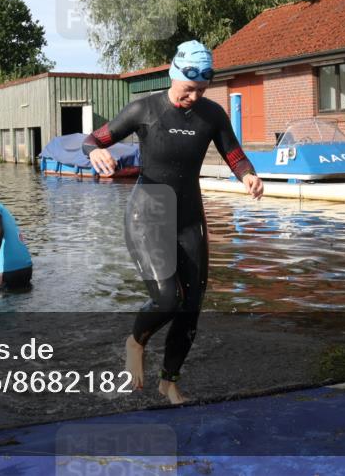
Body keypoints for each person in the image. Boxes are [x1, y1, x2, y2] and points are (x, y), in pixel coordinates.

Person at [82, 40, 264, 404]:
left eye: (200, 90)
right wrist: (97, 151)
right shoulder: (144, 108)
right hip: (148, 213)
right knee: (168, 299)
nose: (194, 97)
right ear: (173, 75)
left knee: (191, 305)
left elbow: (234, 154)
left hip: (189, 217)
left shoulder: (212, 115)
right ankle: (135, 341)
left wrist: (247, 175)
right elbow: (93, 138)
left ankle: (169, 382)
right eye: (188, 89)